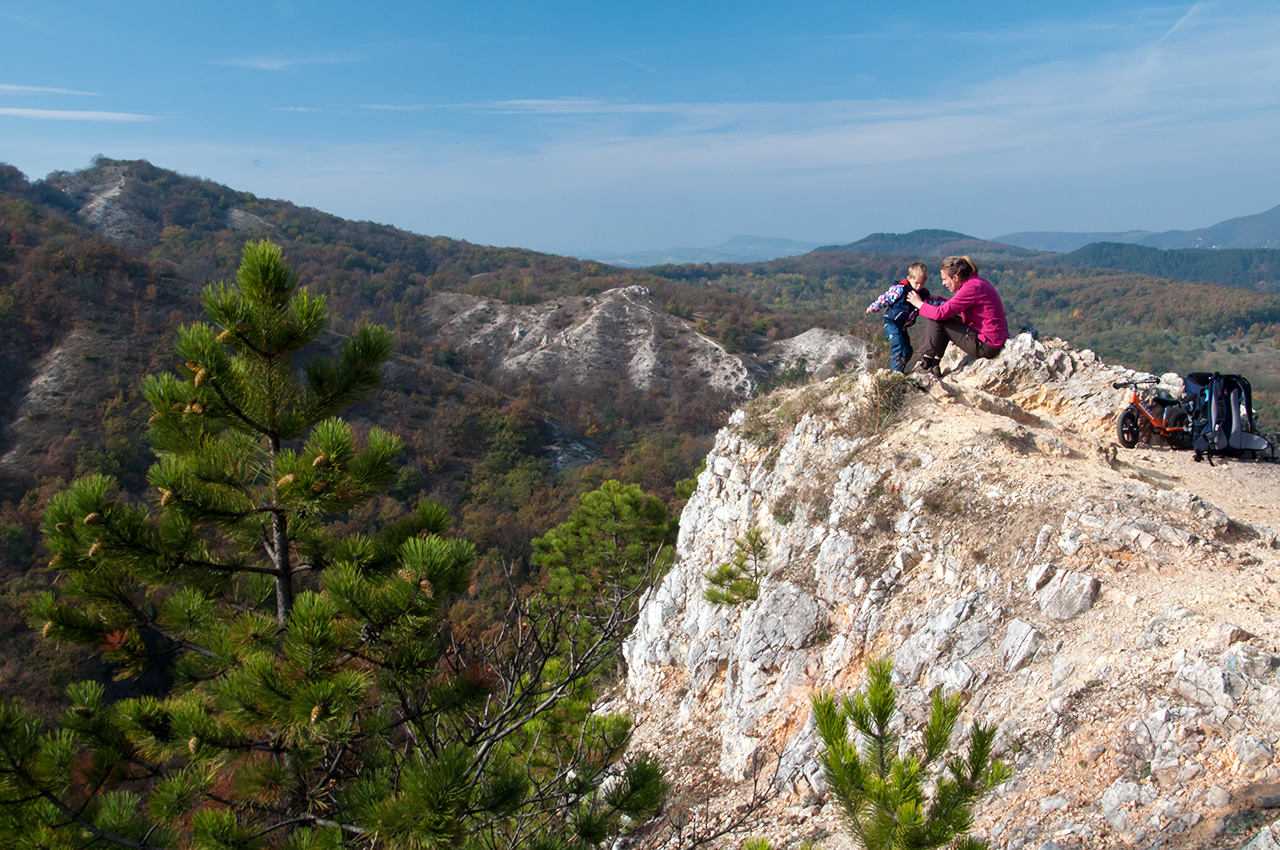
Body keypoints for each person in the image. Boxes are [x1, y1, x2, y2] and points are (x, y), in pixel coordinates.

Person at [905, 255, 1008, 378]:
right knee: (940, 316)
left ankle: (926, 365)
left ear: (955, 278)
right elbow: (956, 306)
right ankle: (934, 365)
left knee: (937, 318)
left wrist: (919, 304)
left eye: (944, 279)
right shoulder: (976, 283)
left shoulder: (971, 288)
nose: (943, 283)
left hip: (986, 346)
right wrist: (939, 299)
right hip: (990, 339)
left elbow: (940, 313)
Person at [865, 262, 938, 373]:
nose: (919, 286)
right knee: (898, 344)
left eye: (922, 284)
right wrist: (874, 307)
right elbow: (886, 298)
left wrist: (947, 306)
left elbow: (931, 303)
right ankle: (896, 372)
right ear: (909, 278)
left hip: (903, 326)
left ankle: (901, 368)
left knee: (908, 350)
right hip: (892, 322)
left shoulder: (923, 294)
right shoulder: (900, 289)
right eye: (916, 283)